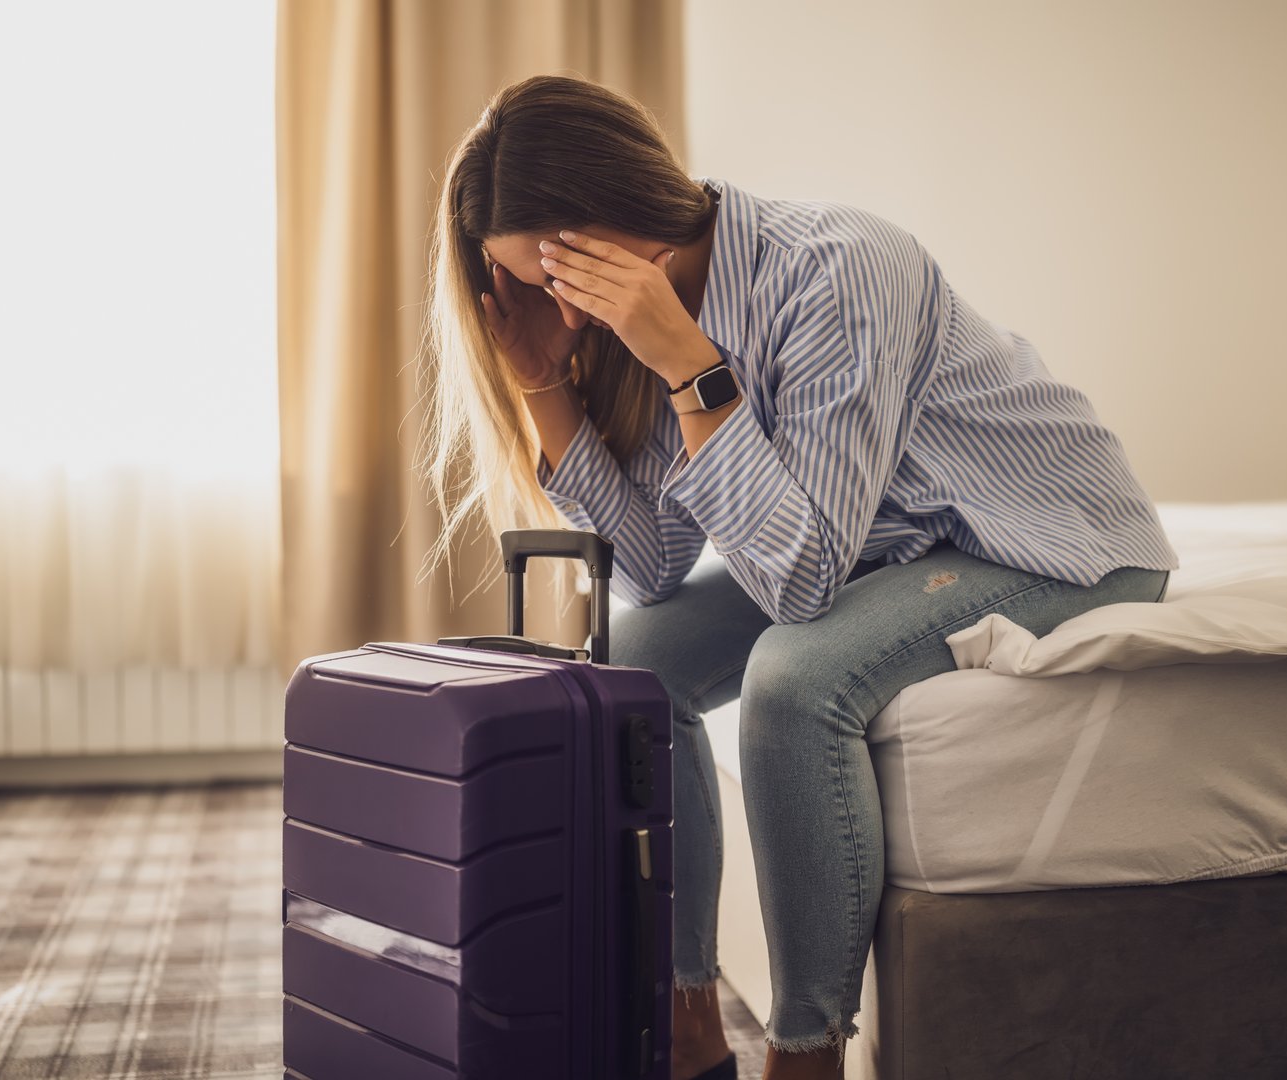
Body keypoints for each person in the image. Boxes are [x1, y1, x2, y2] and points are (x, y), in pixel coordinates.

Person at [418, 73, 1178, 1080]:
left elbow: (802, 594)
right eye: (520, 288)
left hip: (1043, 535)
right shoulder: (616, 326)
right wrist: (544, 381)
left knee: (794, 679)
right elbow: (652, 568)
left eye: (550, 279)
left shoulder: (838, 269)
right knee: (632, 665)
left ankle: (807, 1050)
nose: (551, 308)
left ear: (620, 223)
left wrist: (690, 366)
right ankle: (682, 1015)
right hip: (881, 546)